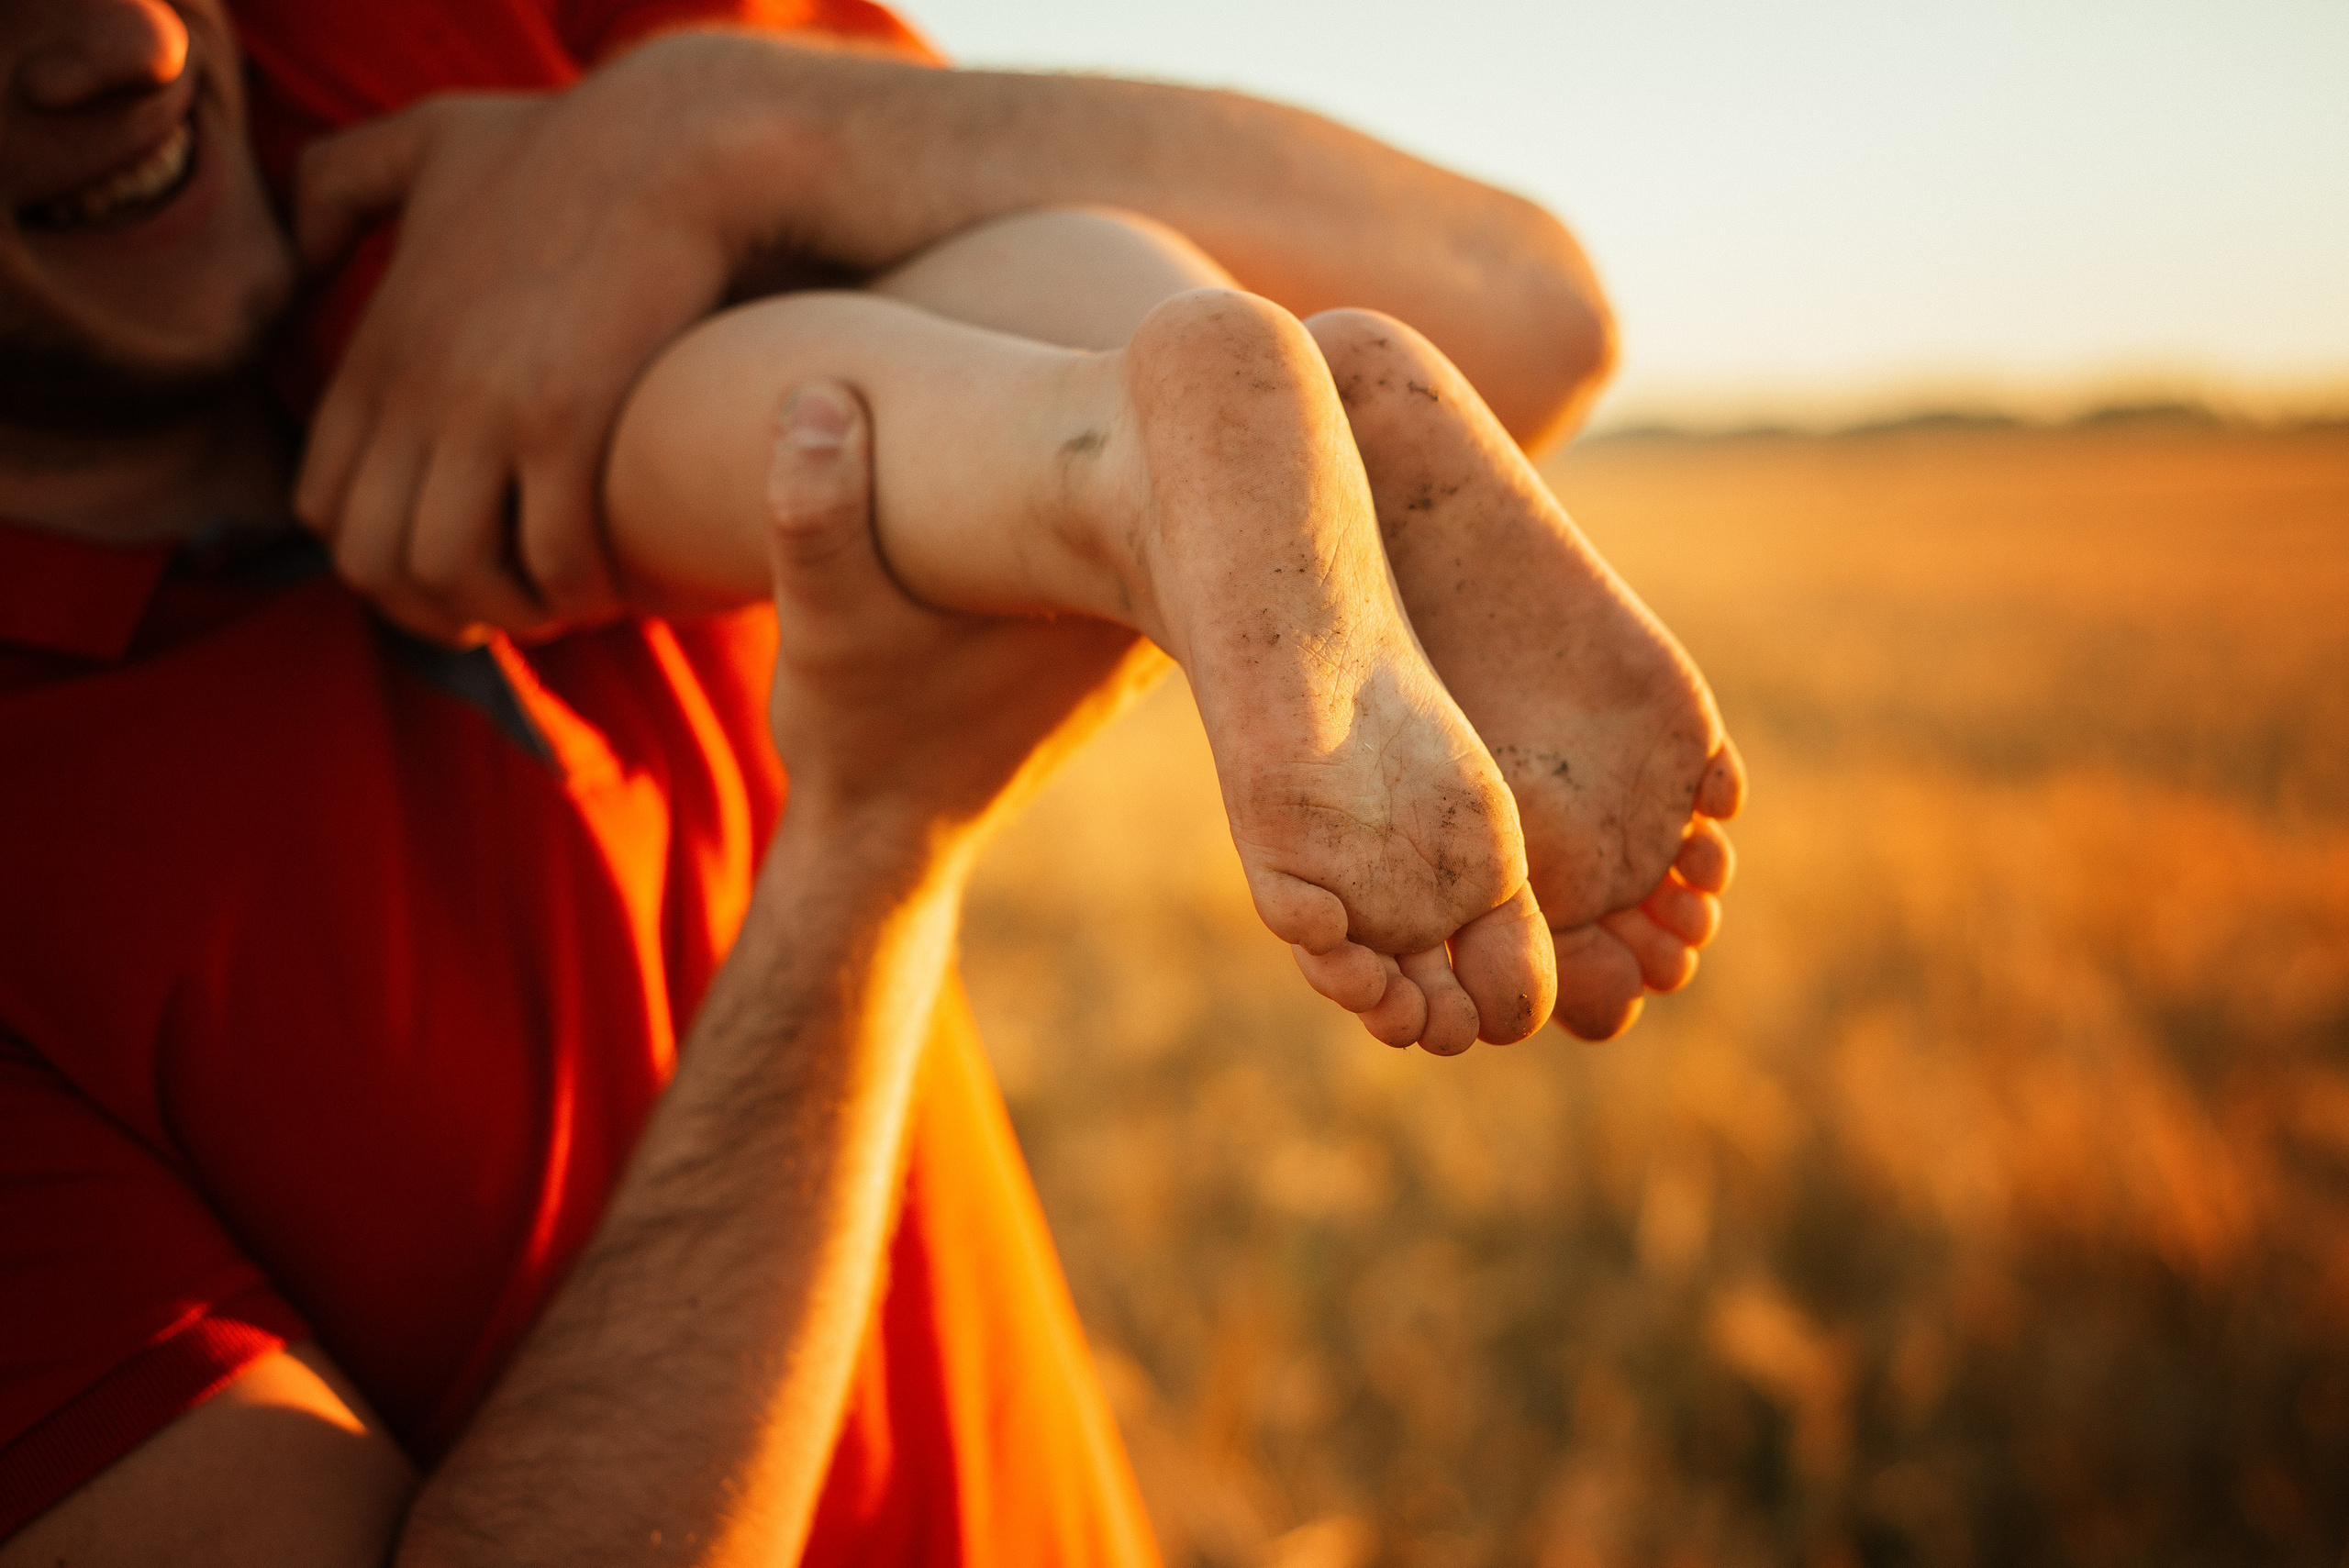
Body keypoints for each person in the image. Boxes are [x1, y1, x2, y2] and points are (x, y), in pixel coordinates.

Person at [0, 3, 1732, 1565]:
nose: (128, 44)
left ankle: (1129, 452)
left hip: (713, 431)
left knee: (804, 378)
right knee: (838, 374)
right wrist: (874, 848)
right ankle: (1128, 415)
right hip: (827, 412)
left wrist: (721, 126)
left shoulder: (332, 53)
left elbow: (1523, 306)